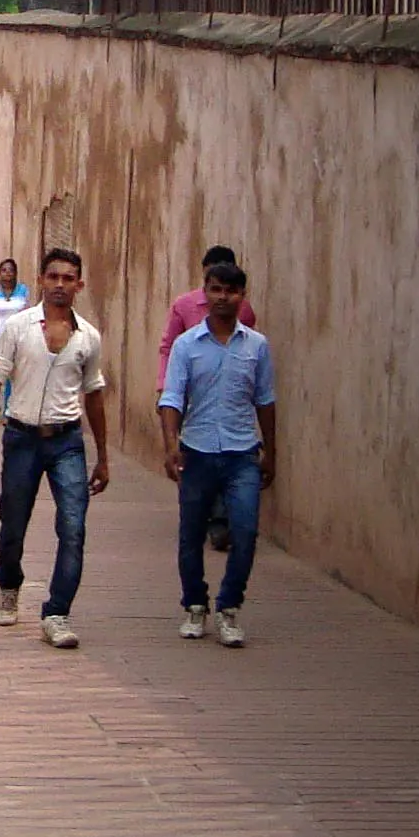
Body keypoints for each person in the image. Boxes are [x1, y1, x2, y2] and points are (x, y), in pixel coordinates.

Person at [0, 245, 111, 649]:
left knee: (73, 526)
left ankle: (57, 612)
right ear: (42, 279)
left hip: (67, 441)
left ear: (79, 285)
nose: (60, 285)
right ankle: (9, 583)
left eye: (68, 278)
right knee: (13, 523)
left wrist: (102, 456)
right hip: (21, 438)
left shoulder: (88, 338)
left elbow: (95, 396)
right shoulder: (18, 327)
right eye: (53, 277)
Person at [159, 260, 276, 648]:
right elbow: (172, 397)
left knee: (244, 531)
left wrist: (271, 451)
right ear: (205, 293)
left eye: (231, 291)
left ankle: (229, 608)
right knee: (191, 533)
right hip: (198, 452)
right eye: (216, 290)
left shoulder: (257, 346)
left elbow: (265, 400)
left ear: (243, 296)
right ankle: (195, 604)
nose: (223, 297)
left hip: (243, 453)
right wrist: (170, 443)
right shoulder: (187, 346)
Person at [160, 245, 262, 554]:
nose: (222, 296)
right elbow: (168, 346)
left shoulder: (243, 311)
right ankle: (202, 513)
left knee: (226, 453)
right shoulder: (184, 305)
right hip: (189, 393)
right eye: (214, 281)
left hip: (227, 401)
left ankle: (220, 520)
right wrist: (165, 388)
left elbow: (246, 348)